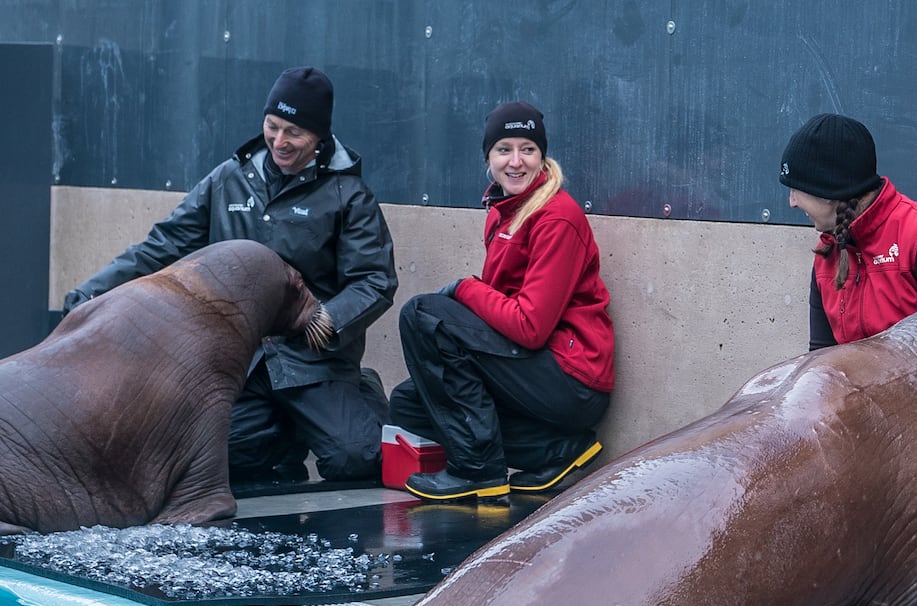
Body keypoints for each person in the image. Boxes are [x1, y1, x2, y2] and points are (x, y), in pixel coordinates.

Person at [63, 66, 397, 483]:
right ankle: (286, 430)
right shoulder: (229, 180)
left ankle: (359, 393)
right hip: (242, 358)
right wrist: (94, 293)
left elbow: (374, 280)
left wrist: (331, 319)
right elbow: (163, 246)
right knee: (211, 459)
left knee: (355, 459)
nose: (279, 141)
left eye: (294, 132)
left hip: (312, 359)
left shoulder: (348, 194)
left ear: (319, 137)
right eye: (272, 126)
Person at [388, 101, 614, 503]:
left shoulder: (556, 217)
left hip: (570, 378)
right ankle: (557, 451)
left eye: (527, 149)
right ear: (488, 157)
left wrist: (463, 288)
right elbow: (494, 319)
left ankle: (478, 471)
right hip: (533, 370)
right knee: (410, 403)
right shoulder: (502, 213)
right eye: (503, 149)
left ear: (542, 156)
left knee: (424, 314)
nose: (515, 161)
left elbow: (529, 327)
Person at [778, 113, 917, 350]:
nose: (791, 202)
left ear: (828, 190)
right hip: (857, 386)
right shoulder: (827, 254)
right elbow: (821, 364)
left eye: (796, 189)